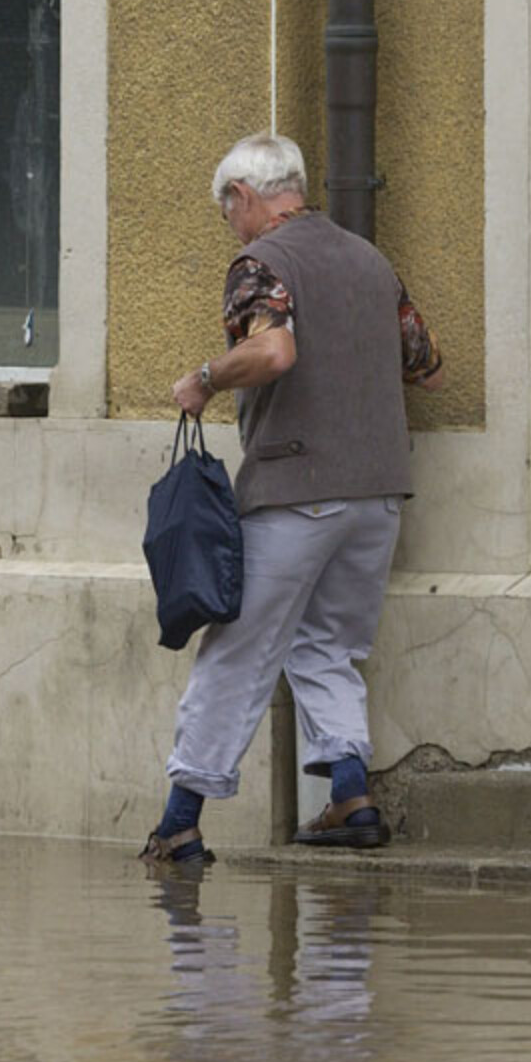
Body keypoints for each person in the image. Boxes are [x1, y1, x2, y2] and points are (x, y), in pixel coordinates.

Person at [140, 133, 444, 866]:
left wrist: (205, 377)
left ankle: (180, 822)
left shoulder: (261, 264)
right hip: (379, 494)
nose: (231, 228)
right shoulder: (371, 261)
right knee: (330, 644)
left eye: (228, 212)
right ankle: (350, 795)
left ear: (245, 197)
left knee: (237, 653)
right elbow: (426, 368)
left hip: (296, 489)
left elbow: (274, 353)